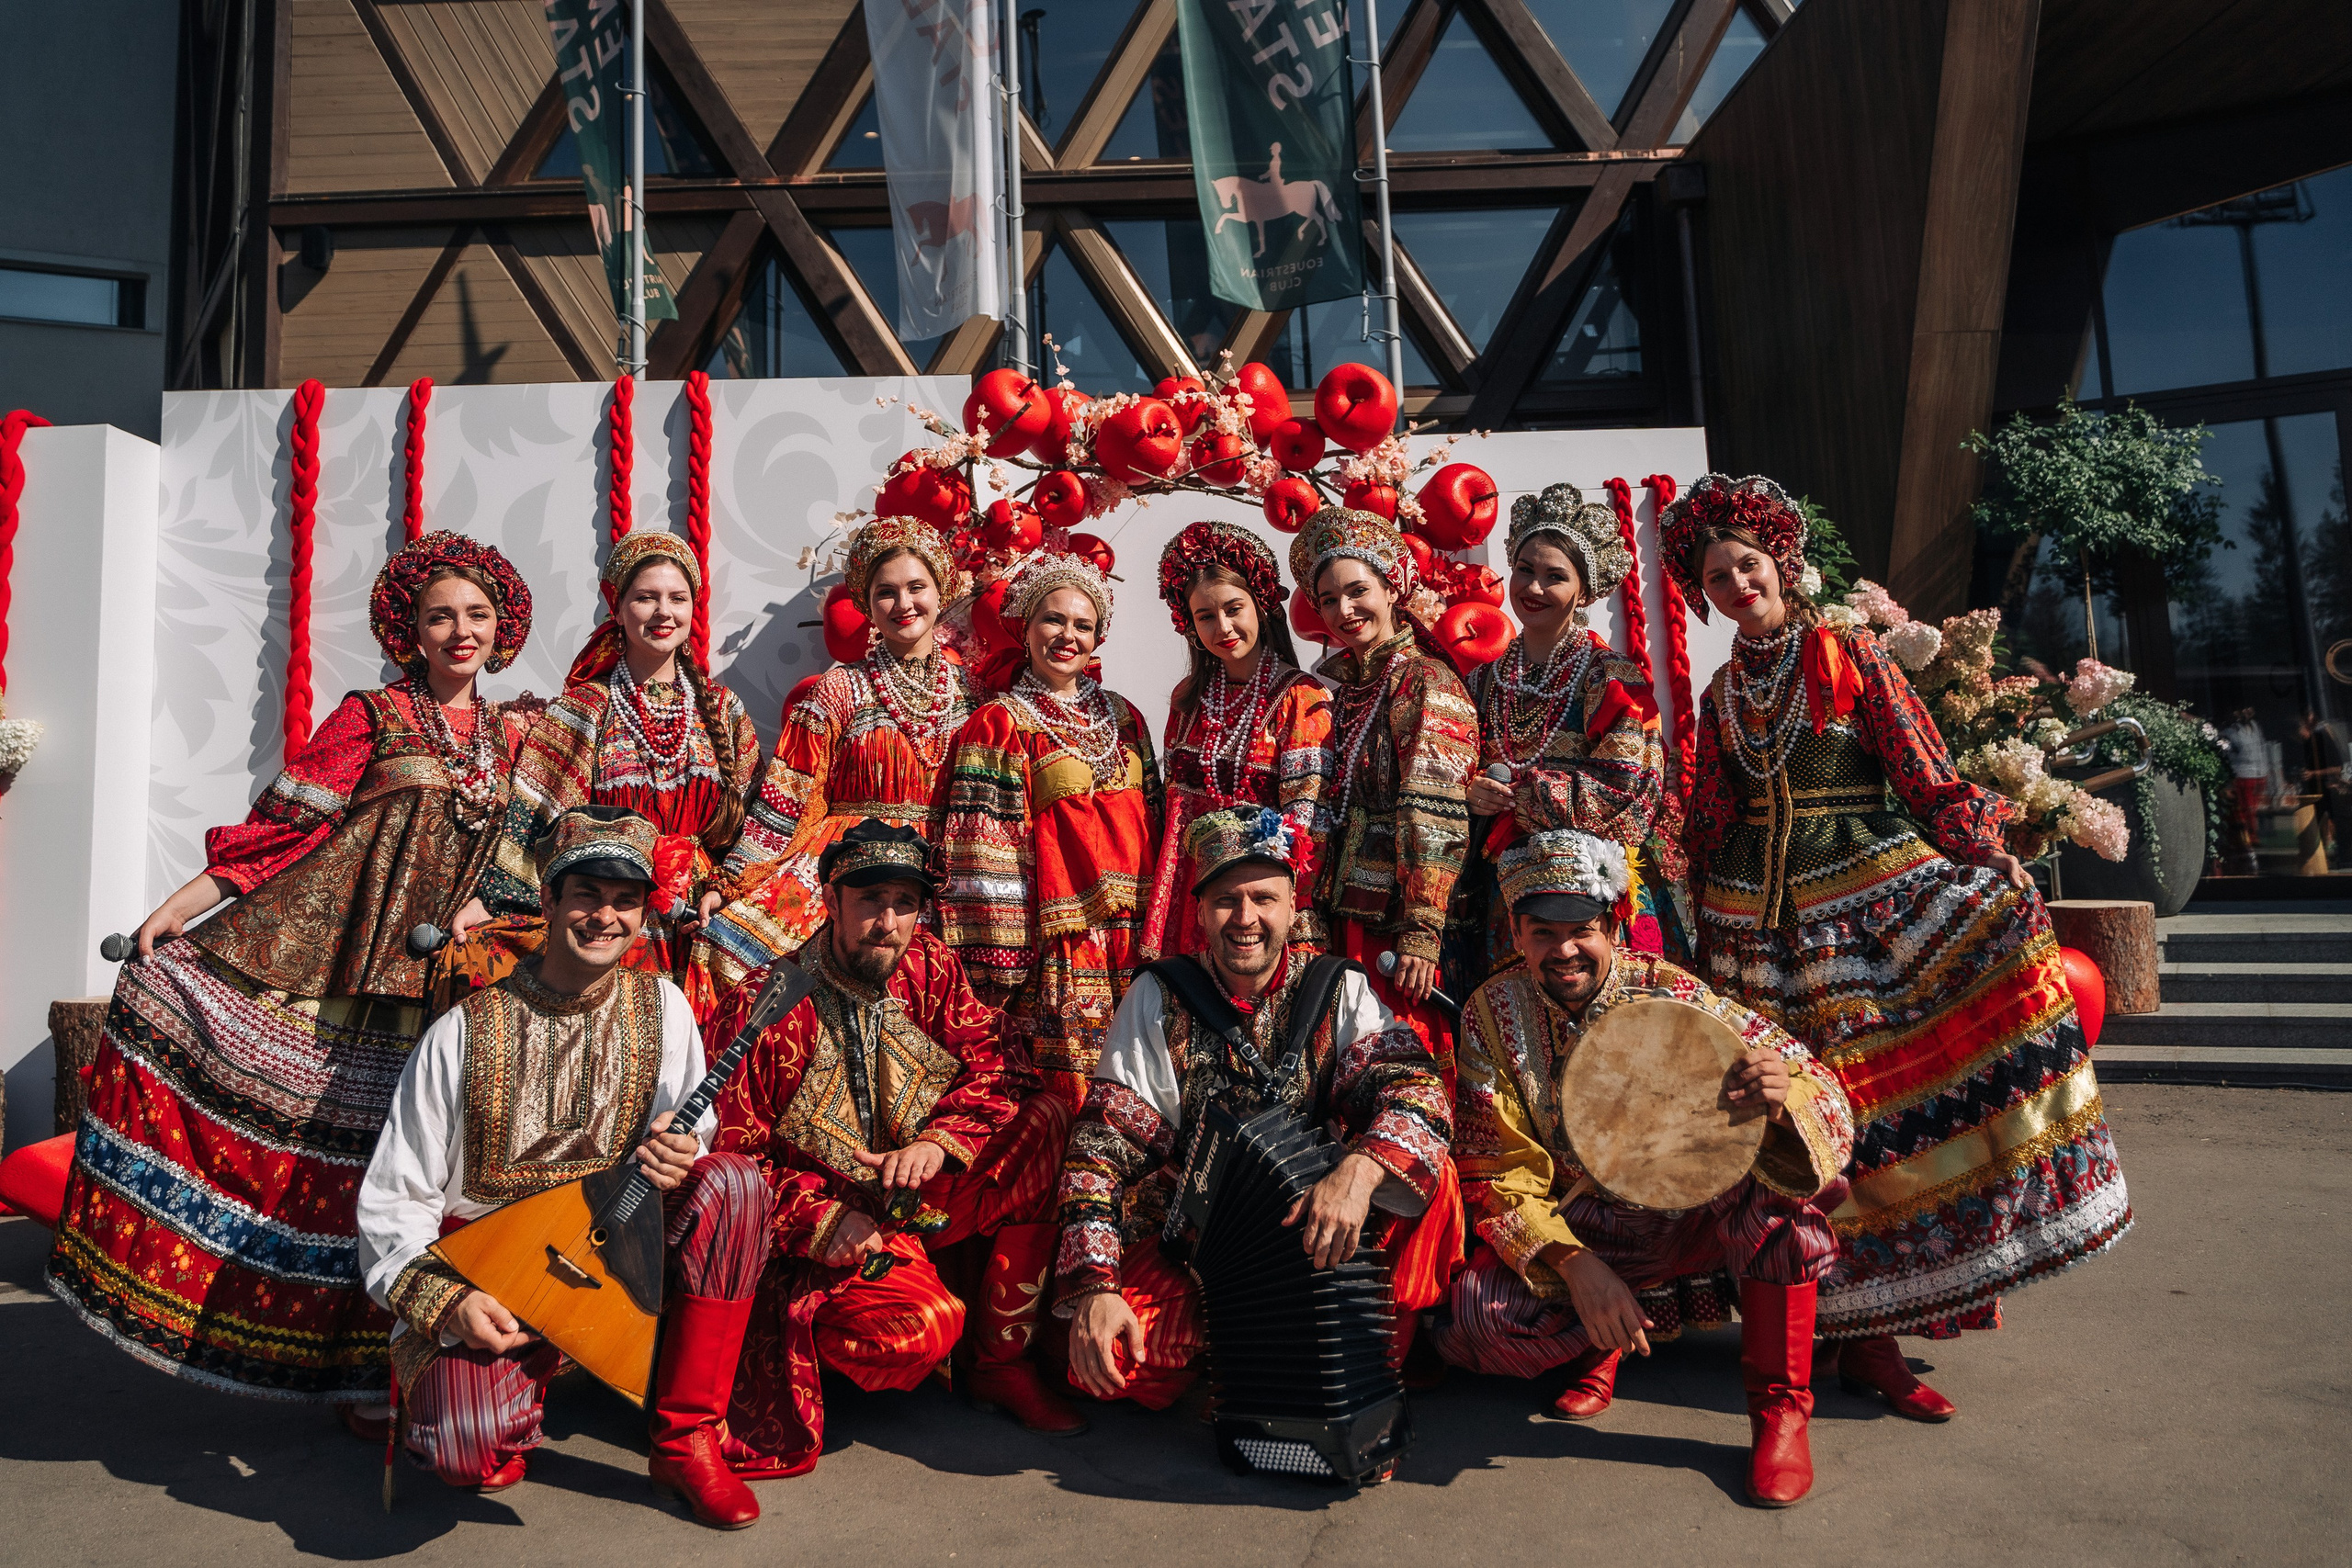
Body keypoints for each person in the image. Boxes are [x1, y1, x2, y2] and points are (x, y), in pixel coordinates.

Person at [1668, 473, 2132, 1419]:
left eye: (1745, 567)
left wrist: (1984, 853)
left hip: (1867, 904)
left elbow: (1922, 765)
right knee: (1802, 1140)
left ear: (1781, 567)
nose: (1734, 587)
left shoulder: (1846, 655)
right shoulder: (1718, 693)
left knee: (1881, 1121)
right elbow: (1709, 815)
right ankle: (1845, 1335)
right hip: (1753, 934)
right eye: (1715, 579)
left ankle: (1879, 1345)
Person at [49, 533, 536, 1424]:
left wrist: (486, 907)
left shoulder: (518, 736)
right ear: (411, 631)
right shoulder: (370, 716)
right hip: (344, 979)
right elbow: (284, 826)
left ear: (501, 627)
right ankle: (323, 1371)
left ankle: (397, 1370)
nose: (460, 631)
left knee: (416, 1180)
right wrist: (182, 906)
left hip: (450, 993)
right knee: (331, 1174)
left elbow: (529, 859)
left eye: (476, 615)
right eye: (440, 617)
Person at [356, 806, 769, 1529]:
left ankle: (686, 1438)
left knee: (733, 1181)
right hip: (497, 1284)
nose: (604, 916)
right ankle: (512, 1391)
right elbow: (396, 1199)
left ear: (643, 914)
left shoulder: (664, 1007)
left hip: (615, 1269)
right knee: (468, 1454)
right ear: (547, 900)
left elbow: (692, 1133)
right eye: (586, 894)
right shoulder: (463, 1032)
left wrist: (683, 1148)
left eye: (625, 900)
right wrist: (452, 1305)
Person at [1433, 826, 1854, 1507]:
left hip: (1698, 1214)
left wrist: (1781, 1099)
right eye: (1543, 932)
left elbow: (1818, 1084)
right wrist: (1574, 1264)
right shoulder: (1491, 1012)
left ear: (1613, 926)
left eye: (1582, 930)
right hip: (1596, 1223)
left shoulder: (1674, 992)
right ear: (1515, 932)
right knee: (1475, 1322)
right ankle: (1605, 1339)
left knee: (1783, 1200)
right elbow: (1495, 1167)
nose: (1564, 950)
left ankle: (1780, 1411)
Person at [1059, 807, 1453, 1410]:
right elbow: (1099, 1154)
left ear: (1293, 905)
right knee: (1111, 1361)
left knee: (1432, 1175)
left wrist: (1359, 1171)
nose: (1246, 918)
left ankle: (1373, 1362)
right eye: (1225, 900)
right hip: (1206, 1253)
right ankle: (1243, 1350)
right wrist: (1095, 1287)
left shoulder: (1337, 987)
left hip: (1324, 1238)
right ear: (1199, 911)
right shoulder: (1160, 996)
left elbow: (1420, 1094)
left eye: (1263, 898)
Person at [708, 819, 1060, 1474]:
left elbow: (1001, 1060)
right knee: (920, 1327)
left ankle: (999, 1363)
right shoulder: (766, 1007)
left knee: (1043, 1121)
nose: (888, 920)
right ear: (831, 899)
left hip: (918, 1194)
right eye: (870, 900)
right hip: (821, 1237)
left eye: (904, 902)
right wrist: (822, 1220)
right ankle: (821, 1346)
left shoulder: (928, 963)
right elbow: (725, 1161)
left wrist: (939, 1139)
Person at [447, 530, 766, 1021]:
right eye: (645, 598)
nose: (663, 612)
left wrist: (726, 888)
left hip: (699, 923)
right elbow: (534, 818)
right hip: (611, 919)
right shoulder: (584, 708)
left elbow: (755, 822)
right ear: (616, 609)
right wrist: (492, 900)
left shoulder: (724, 711)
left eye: (677, 598)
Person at [700, 517, 978, 993]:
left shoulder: (976, 697)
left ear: (942, 591)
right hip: (848, 863)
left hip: (942, 868)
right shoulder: (838, 689)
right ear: (867, 607)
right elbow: (786, 801)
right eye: (886, 592)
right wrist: (729, 883)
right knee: (734, 950)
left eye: (917, 587)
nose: (904, 604)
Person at [937, 551, 1165, 1112]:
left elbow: (1158, 823)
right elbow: (983, 849)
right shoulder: (1000, 721)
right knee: (1073, 1099)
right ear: (1027, 626)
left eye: (1082, 625)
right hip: (1061, 946)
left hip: (1136, 943)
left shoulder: (1126, 715)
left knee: (1149, 1081)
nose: (1067, 636)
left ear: (1098, 637)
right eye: (1053, 620)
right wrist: (1002, 965)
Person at [1451, 483, 1680, 985]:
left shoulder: (1612, 677)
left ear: (1584, 590)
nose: (1533, 589)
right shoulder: (1483, 680)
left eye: (1554, 577)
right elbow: (1455, 767)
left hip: (1590, 894)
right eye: (1525, 571)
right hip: (1506, 895)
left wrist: (1519, 796)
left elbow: (1632, 789)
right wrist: (1470, 791)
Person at [1291, 508, 1479, 1088]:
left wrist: (1422, 926)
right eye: (1327, 600)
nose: (1343, 612)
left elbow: (1435, 807)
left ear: (1392, 586)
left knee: (1406, 1058)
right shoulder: (1343, 686)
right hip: (1346, 914)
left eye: (1357, 591)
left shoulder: (1425, 680)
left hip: (1399, 923)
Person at [1143, 519, 1334, 963]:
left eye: (1234, 609)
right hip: (1186, 893)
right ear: (1189, 624)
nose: (1223, 627)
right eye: (1205, 616)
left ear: (1261, 606)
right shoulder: (1187, 699)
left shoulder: (1300, 698)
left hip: (1258, 903)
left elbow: (1308, 825)